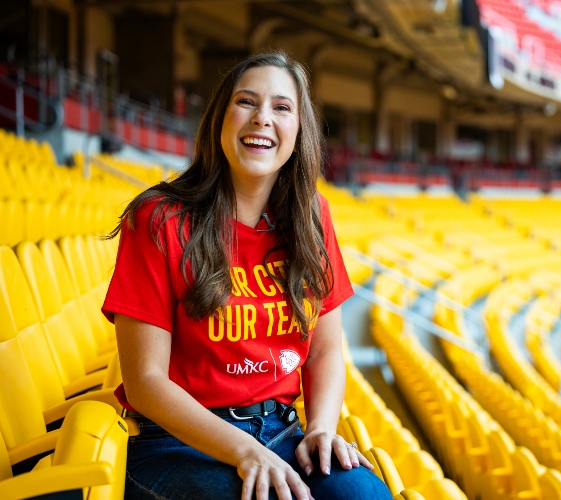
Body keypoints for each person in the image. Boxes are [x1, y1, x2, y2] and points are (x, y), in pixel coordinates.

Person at [102, 52, 392, 500]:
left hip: (281, 428)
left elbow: (325, 351)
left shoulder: (311, 215)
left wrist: (320, 428)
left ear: (299, 130)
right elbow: (145, 382)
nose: (262, 119)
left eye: (281, 107)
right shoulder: (159, 219)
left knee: (366, 496)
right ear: (221, 118)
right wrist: (243, 451)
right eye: (246, 102)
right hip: (178, 440)